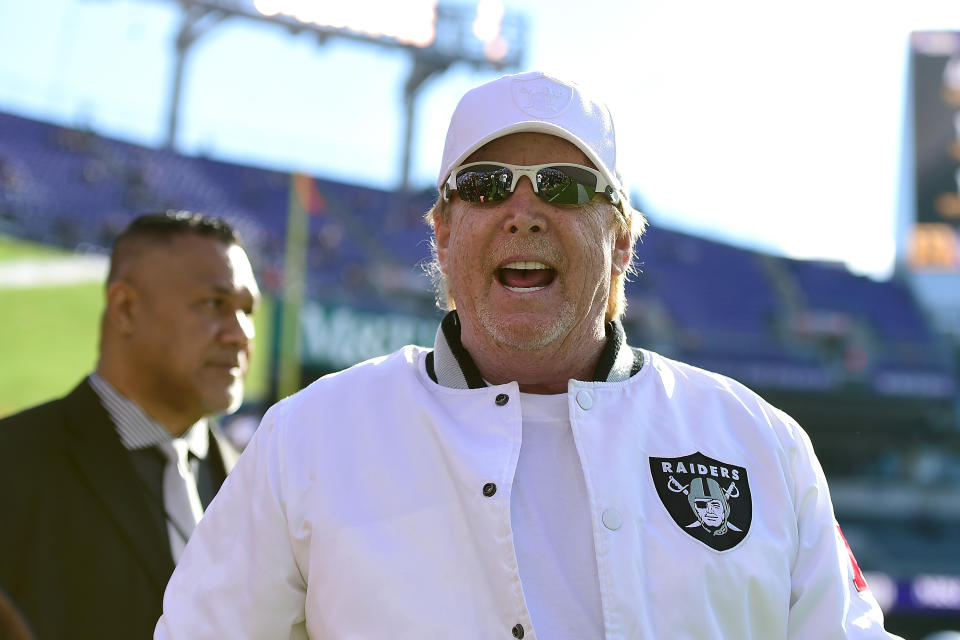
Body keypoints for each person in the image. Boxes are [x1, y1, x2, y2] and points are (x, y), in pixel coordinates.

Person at [155, 72, 900, 639]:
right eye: (484, 186)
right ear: (442, 234)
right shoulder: (310, 436)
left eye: (565, 187)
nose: (523, 214)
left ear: (623, 240)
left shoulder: (760, 441)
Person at [0, 211, 260, 640]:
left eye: (247, 310)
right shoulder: (14, 462)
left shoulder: (257, 484)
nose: (240, 334)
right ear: (124, 308)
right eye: (214, 304)